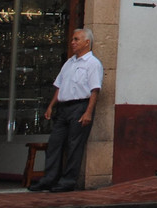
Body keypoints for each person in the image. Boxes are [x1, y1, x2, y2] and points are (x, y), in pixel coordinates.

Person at [28, 28, 104, 193]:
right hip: (63, 108)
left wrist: (88, 112)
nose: (73, 43)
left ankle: (68, 180)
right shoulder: (69, 62)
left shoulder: (93, 64)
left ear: (87, 42)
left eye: (76, 39)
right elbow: (60, 86)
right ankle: (49, 179)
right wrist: (51, 106)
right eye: (72, 39)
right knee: (55, 143)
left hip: (80, 106)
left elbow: (94, 90)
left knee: (74, 145)